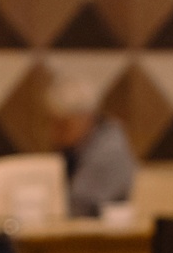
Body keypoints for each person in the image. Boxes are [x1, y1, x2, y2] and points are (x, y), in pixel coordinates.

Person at [50, 76, 136, 219]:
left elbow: (79, 207)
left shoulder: (109, 151)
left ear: (85, 118)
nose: (55, 133)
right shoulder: (78, 148)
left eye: (63, 125)